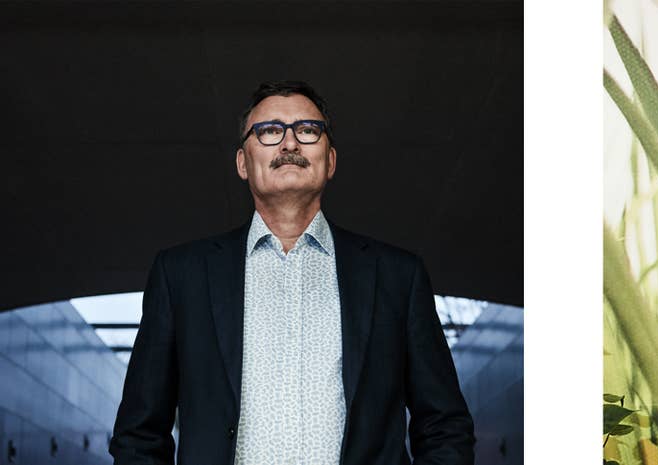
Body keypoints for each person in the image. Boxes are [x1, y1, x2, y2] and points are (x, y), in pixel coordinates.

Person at [110, 81, 475, 465]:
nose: (289, 144)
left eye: (307, 130)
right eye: (269, 131)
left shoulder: (398, 277)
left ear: (330, 160)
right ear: (242, 163)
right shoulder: (181, 276)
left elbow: (444, 426)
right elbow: (139, 435)